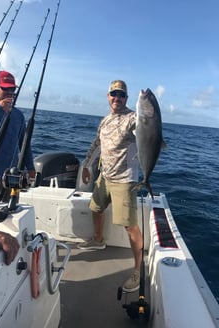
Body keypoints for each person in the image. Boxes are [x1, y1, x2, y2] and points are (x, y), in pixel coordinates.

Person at [78, 80, 143, 292]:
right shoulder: (105, 121)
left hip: (124, 180)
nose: (117, 98)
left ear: (127, 98)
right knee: (95, 208)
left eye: (121, 95)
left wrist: (148, 112)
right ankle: (98, 240)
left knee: (129, 225)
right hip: (104, 177)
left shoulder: (134, 118)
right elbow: (96, 143)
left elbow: (145, 129)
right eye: (113, 94)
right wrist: (87, 165)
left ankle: (138, 270)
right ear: (108, 96)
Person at [0, 70, 35, 201]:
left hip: (9, 178)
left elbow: (24, 144)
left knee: (9, 216)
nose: (10, 92)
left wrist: (30, 167)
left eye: (12, 89)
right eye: (5, 88)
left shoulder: (18, 115)